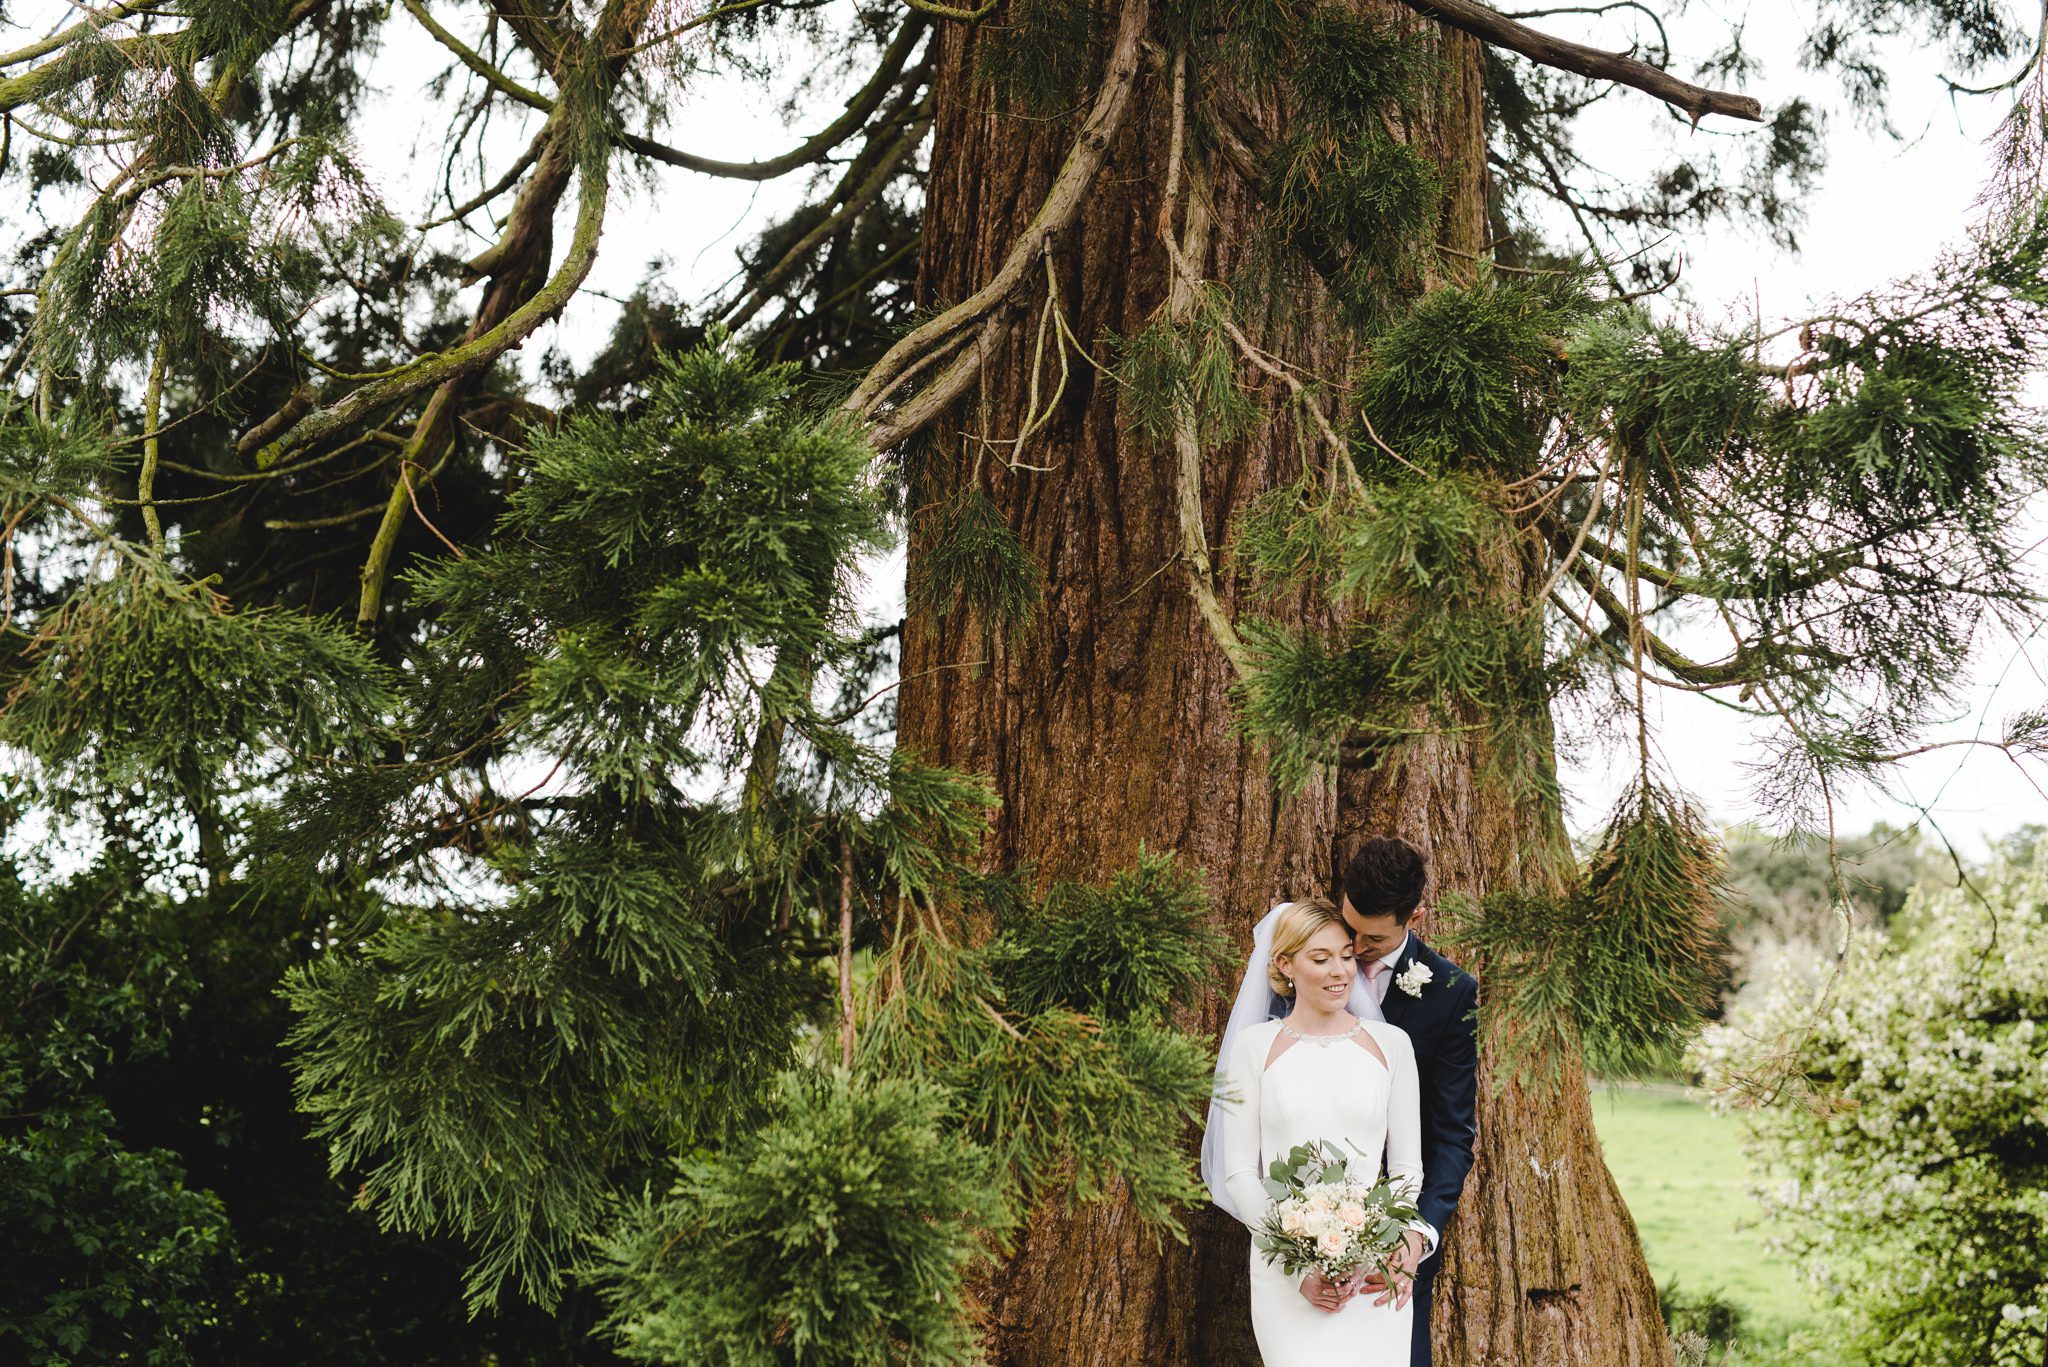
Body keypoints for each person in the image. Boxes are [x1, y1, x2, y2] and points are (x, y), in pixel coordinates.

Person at [1206, 899, 1428, 1366]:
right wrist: (1299, 1268)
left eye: (1347, 956)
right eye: (1321, 959)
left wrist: (1385, 1241)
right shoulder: (1255, 1048)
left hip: (1373, 1272)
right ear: (1285, 965)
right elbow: (1240, 1172)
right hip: (1285, 1273)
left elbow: (1406, 1167)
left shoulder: (1392, 1046)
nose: (1340, 972)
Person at [1322, 837, 1479, 1367]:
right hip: (1308, 1220)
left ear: (1416, 916)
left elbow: (1453, 1135)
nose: (1356, 947)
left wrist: (1418, 1234)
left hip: (1396, 1234)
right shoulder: (1308, 966)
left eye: (1374, 937)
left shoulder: (1451, 991)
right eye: (1350, 928)